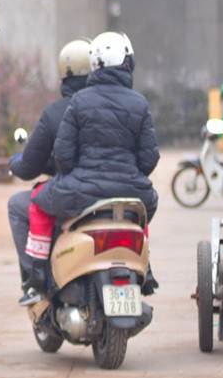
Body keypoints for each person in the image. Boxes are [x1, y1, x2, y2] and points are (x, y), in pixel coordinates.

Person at [23, 32, 159, 300]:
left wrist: (74, 173)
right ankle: (146, 266)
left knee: (38, 200)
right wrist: (130, 175)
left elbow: (63, 155)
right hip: (133, 190)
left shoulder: (79, 101)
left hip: (81, 191)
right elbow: (148, 159)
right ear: (127, 63)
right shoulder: (140, 103)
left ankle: (37, 272)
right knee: (138, 213)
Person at [8, 38, 91, 306]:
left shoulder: (59, 113)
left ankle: (36, 278)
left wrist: (15, 162)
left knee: (20, 205)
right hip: (118, 192)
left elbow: (32, 165)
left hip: (72, 194)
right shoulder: (125, 106)